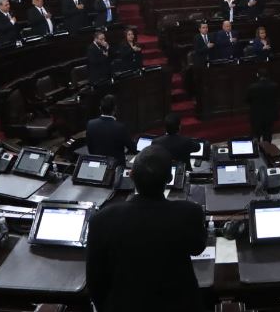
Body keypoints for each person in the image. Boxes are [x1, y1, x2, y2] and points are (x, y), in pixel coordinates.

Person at [87, 144, 207, 312]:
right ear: (169, 178)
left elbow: (95, 282)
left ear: (131, 174)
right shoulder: (190, 212)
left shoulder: (100, 220)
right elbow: (197, 248)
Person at [86, 94, 132, 163]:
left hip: (98, 163)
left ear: (100, 108)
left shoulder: (90, 124)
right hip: (116, 166)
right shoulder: (120, 127)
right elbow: (132, 148)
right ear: (115, 109)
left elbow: (90, 149)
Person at [245, 69, 279, 143]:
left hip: (256, 116)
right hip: (269, 115)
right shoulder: (274, 86)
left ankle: (256, 152)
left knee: (256, 136)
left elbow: (247, 100)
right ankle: (267, 152)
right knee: (267, 136)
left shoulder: (252, 87)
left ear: (258, 75)